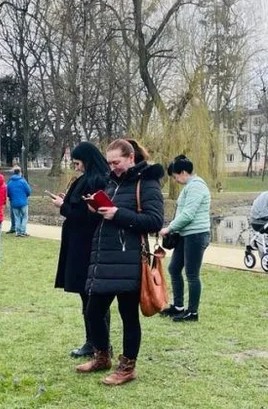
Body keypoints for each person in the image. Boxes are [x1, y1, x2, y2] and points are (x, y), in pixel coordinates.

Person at [78, 138, 164, 386]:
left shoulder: (146, 183)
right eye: (109, 163)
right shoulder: (110, 182)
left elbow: (154, 221)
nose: (112, 167)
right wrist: (96, 209)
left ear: (131, 158)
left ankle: (127, 367)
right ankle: (102, 355)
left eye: (116, 162)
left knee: (128, 316)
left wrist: (118, 214)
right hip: (104, 258)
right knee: (93, 311)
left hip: (129, 261)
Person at [50, 142, 110, 357]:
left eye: (77, 162)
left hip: (85, 243)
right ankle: (96, 341)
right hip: (80, 241)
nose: (75, 166)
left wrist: (63, 206)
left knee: (91, 296)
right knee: (89, 297)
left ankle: (96, 342)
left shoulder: (95, 181)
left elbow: (86, 215)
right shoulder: (93, 179)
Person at [158, 154, 211, 322]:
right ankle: (178, 306)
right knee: (174, 268)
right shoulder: (189, 186)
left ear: (182, 172)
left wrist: (169, 228)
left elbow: (188, 214)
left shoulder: (196, 187)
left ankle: (192, 312)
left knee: (192, 274)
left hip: (196, 235)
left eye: (175, 177)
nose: (175, 180)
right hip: (186, 235)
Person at [6, 166, 33, 236]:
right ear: (20, 173)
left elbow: (7, 193)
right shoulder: (23, 181)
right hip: (23, 201)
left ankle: (17, 232)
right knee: (24, 217)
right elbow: (28, 191)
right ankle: (23, 231)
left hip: (14, 203)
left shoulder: (10, 182)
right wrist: (25, 196)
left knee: (17, 217)